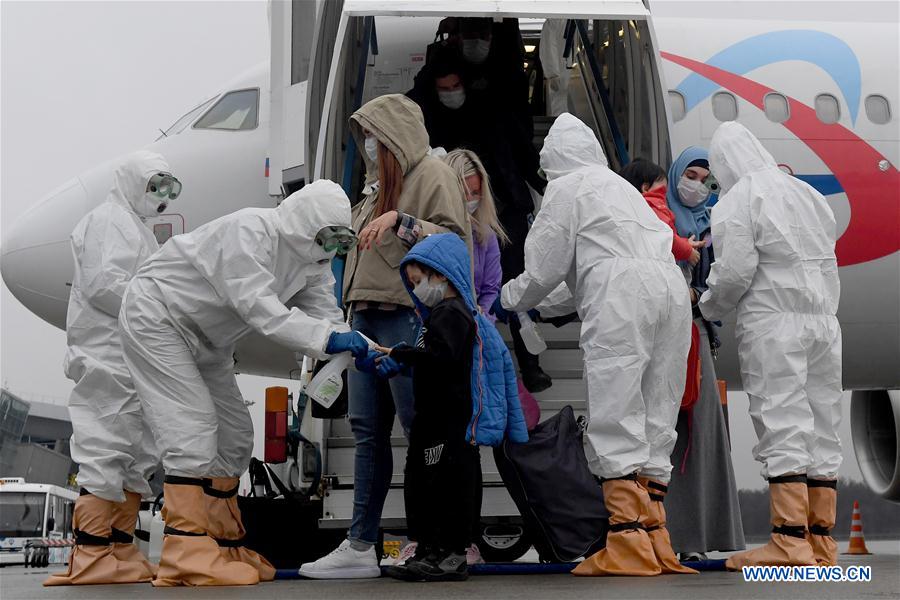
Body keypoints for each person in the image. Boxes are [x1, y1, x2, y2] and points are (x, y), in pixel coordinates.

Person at [119, 180, 366, 587]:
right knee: (192, 430)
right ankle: (185, 549)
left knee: (234, 437)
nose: (332, 245)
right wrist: (330, 340)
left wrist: (363, 351)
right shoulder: (250, 232)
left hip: (210, 339)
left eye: (340, 238)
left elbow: (325, 316)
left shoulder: (313, 259)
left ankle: (221, 542)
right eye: (327, 234)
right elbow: (260, 310)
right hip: (158, 316)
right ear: (304, 220)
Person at [501, 113, 695, 576]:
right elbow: (593, 266)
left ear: (553, 164)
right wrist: (547, 305)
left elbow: (546, 268)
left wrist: (511, 297)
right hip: (669, 289)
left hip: (623, 297)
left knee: (616, 404)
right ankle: (655, 541)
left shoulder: (566, 190)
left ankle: (627, 542)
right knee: (656, 411)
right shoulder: (619, 188)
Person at [299, 94, 471, 580]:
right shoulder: (375, 188)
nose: (369, 145)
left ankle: (438, 541)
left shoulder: (432, 175)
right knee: (368, 434)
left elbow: (455, 241)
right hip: (365, 319)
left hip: (404, 315)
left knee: (425, 433)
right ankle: (360, 542)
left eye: (374, 134)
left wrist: (402, 220)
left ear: (395, 134)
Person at [698, 121, 843, 569]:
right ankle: (821, 543)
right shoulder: (808, 195)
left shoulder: (738, 200)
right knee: (822, 424)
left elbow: (736, 271)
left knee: (781, 420)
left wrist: (707, 304)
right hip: (823, 321)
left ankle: (788, 542)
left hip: (773, 321)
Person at [44, 151, 178, 587]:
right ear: (132, 181)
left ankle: (120, 548)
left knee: (135, 453)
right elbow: (105, 284)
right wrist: (157, 314)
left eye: (166, 188)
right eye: (154, 185)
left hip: (132, 354)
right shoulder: (108, 219)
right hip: (107, 354)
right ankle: (90, 551)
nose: (159, 196)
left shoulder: (135, 227)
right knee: (106, 446)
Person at [379, 233, 527, 582]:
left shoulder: (450, 313)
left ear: (440, 274)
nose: (415, 289)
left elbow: (440, 357)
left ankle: (448, 552)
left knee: (441, 484)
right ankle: (433, 549)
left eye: (418, 281)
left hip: (446, 420)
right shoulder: (446, 314)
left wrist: (400, 355)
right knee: (426, 480)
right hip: (436, 419)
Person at [622, 153, 747, 561]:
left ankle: (696, 537)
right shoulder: (654, 218)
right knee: (659, 434)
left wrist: (699, 298)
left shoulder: (711, 223)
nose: (696, 185)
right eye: (689, 176)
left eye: (705, 180)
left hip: (695, 336)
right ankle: (655, 534)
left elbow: (717, 281)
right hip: (658, 336)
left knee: (698, 437)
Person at [407, 48, 552, 393]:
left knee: (513, 279)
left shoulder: (493, 111)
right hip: (454, 215)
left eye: (455, 85)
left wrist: (543, 184)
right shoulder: (428, 115)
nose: (451, 92)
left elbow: (520, 150)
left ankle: (529, 365)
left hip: (503, 208)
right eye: (444, 88)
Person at [618, 158, 706, 266]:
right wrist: (687, 251)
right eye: (691, 177)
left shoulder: (624, 209)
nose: (697, 186)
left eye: (705, 181)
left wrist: (684, 243)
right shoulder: (654, 207)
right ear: (645, 188)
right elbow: (665, 236)